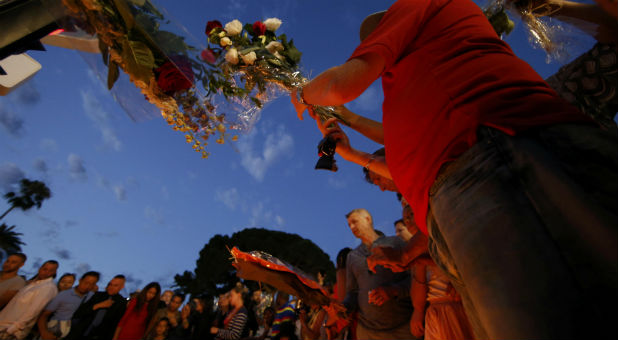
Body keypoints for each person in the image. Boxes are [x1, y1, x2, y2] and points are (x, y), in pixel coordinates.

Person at [291, 0, 617, 337]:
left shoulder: (418, 5)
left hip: (493, 162)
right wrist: (350, 146)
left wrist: (302, 92)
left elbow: (340, 85)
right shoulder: (418, 77)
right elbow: (405, 142)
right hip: (472, 181)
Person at [343, 209, 413, 339]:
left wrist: (394, 290)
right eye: (349, 225)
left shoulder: (395, 243)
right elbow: (352, 292)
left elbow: (416, 278)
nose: (352, 227)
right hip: (367, 332)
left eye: (354, 221)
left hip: (402, 328)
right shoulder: (352, 257)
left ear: (367, 219)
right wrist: (343, 308)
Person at [0, 260, 59, 339]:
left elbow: (34, 310)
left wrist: (13, 328)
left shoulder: (48, 287)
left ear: (54, 272)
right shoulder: (34, 284)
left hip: (11, 330)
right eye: (45, 269)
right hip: (3, 324)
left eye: (51, 270)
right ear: (40, 269)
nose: (47, 272)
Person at [37, 271, 100, 339]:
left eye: (91, 284)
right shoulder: (64, 295)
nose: (87, 286)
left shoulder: (92, 297)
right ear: (80, 280)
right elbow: (44, 315)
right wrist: (44, 333)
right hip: (54, 332)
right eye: (86, 282)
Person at [65, 275, 128, 340]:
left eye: (115, 285)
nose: (111, 287)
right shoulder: (97, 295)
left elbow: (115, 325)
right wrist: (98, 305)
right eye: (110, 284)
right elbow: (79, 312)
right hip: (79, 333)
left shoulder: (121, 303)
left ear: (122, 287)